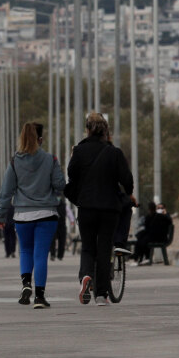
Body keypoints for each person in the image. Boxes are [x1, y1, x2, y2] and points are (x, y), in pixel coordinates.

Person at [65, 112, 133, 306]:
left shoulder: (79, 151)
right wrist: (127, 193)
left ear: (87, 130)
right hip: (109, 209)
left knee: (88, 247)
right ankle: (101, 295)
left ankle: (86, 276)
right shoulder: (114, 153)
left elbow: (71, 175)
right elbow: (127, 181)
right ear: (106, 131)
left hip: (86, 207)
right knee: (104, 249)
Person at [0, 122, 66, 308]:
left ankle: (26, 283)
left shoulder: (14, 161)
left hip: (22, 216)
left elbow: (6, 191)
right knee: (41, 254)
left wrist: (1, 216)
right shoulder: (51, 159)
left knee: (25, 250)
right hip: (47, 213)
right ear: (40, 140)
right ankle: (40, 297)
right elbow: (60, 185)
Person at [133, 202, 172, 266]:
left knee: (143, 240)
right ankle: (140, 258)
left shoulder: (164, 216)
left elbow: (170, 221)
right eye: (158, 208)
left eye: (162, 208)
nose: (160, 209)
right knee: (141, 240)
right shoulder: (151, 216)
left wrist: (165, 213)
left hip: (160, 238)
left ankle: (141, 258)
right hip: (153, 236)